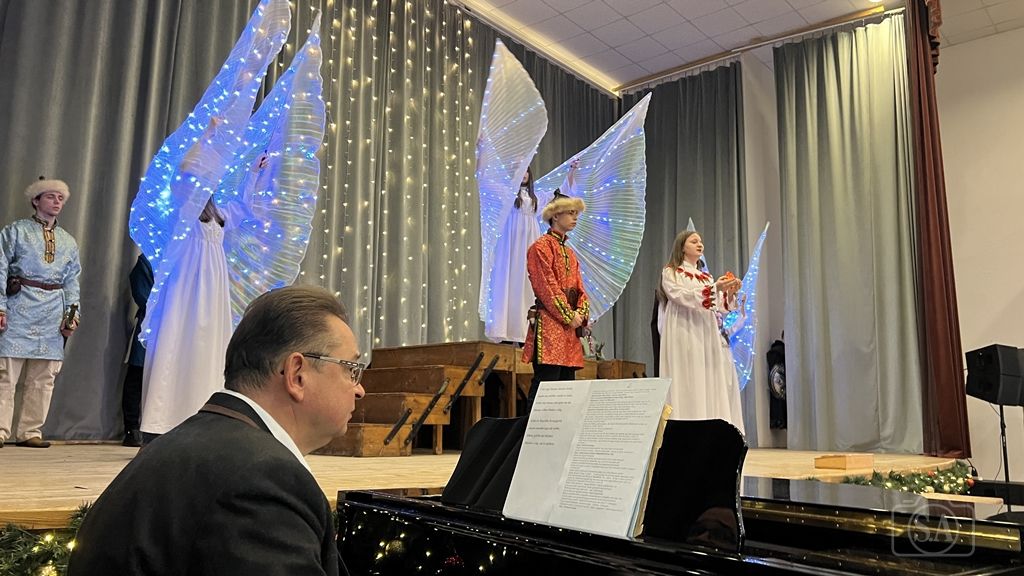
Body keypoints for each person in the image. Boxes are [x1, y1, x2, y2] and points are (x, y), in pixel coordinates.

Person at [68, 285, 365, 575]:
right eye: (350, 369)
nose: (360, 389)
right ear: (297, 374)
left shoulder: (195, 444)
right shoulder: (263, 480)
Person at [138, 140, 270, 441]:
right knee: (177, 339)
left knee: (207, 346)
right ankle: (162, 422)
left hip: (211, 289)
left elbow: (244, 207)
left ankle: (202, 416)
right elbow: (184, 173)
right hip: (186, 285)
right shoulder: (182, 210)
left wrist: (253, 172)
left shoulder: (219, 215)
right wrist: (209, 135)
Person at [0, 177, 81, 448]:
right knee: (6, 374)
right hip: (19, 305)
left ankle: (30, 431)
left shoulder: (68, 241)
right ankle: (0, 430)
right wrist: (0, 305)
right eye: (50, 196)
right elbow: (0, 266)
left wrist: (71, 314)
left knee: (44, 376)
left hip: (52, 310)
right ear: (36, 201)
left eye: (61, 198)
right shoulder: (15, 232)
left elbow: (72, 280)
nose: (57, 202)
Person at [656, 230, 745, 433]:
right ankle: (685, 429)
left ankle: (710, 427)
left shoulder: (707, 277)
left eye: (701, 241)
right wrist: (714, 288)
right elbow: (680, 295)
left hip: (705, 330)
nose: (700, 244)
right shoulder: (671, 272)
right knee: (686, 374)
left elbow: (719, 306)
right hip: (683, 328)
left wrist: (729, 292)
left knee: (706, 374)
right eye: (694, 241)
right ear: (682, 247)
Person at [521, 183, 588, 408]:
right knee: (546, 385)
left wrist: (581, 312)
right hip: (550, 324)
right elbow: (546, 287)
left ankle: (563, 429)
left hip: (569, 330)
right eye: (571, 213)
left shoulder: (570, 252)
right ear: (555, 215)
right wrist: (569, 315)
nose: (575, 218)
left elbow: (580, 288)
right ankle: (533, 428)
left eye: (576, 213)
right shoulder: (540, 248)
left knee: (567, 388)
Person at [484, 167, 540, 343]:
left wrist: (571, 172)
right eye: (520, 170)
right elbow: (485, 181)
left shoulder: (536, 197)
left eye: (526, 171)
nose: (523, 174)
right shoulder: (507, 192)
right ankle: (506, 329)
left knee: (527, 284)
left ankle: (525, 330)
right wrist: (482, 156)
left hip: (529, 243)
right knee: (509, 282)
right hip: (511, 243)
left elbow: (562, 193)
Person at [121, 253, 153, 447]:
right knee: (137, 375)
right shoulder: (147, 259)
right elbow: (142, 295)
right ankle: (132, 428)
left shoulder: (187, 257)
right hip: (150, 326)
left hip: (178, 329)